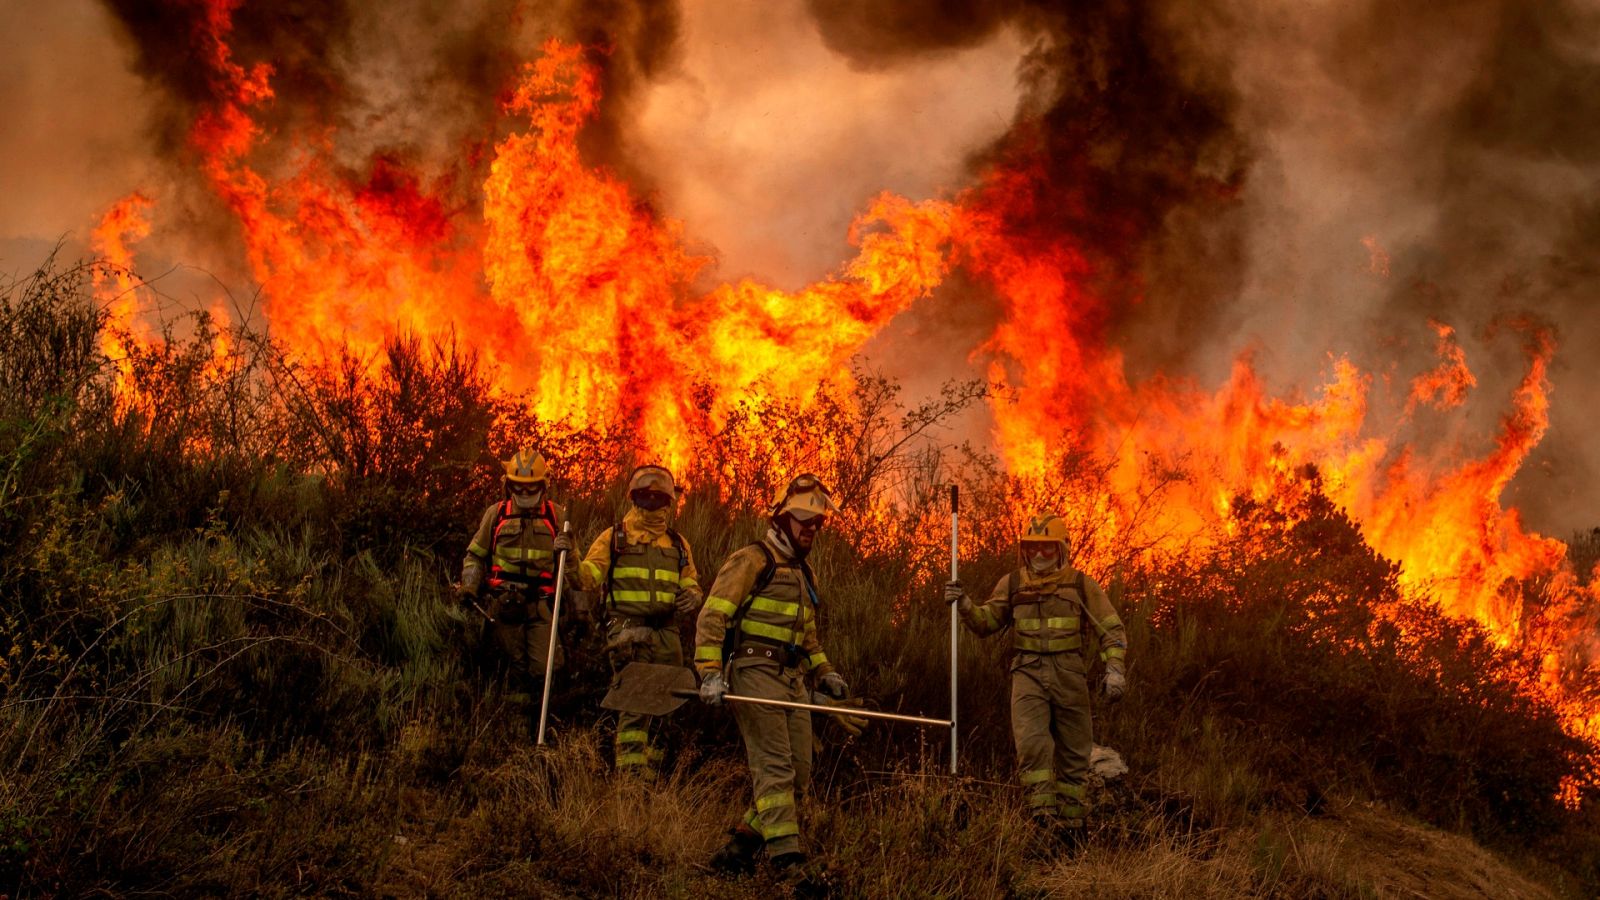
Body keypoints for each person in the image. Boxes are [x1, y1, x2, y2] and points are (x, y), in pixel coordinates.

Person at [692, 474, 848, 876]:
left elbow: (808, 638)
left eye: (817, 523)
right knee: (775, 766)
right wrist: (709, 673)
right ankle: (786, 862)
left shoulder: (805, 574)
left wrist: (826, 673)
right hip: (754, 672)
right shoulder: (751, 560)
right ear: (781, 519)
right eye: (803, 520)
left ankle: (742, 846)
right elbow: (712, 616)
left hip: (792, 680)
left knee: (800, 771)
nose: (811, 529)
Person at [945, 513, 1127, 843]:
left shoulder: (1081, 584)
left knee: (1075, 754)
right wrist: (965, 605)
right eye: (1033, 548)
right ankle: (1042, 825)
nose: (1039, 555)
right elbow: (987, 622)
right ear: (1024, 551)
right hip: (1027, 675)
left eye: (1047, 548)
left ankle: (1072, 833)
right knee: (1032, 748)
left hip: (1069, 677)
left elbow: (1111, 630)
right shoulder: (1012, 583)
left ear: (1062, 550)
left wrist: (1114, 670)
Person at [578, 464, 703, 777]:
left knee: (667, 703)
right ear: (634, 499)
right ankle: (631, 779)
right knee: (635, 705)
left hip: (667, 633)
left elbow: (689, 580)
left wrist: (694, 595)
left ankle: (654, 772)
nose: (654, 505)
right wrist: (567, 563)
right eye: (647, 499)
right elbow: (588, 577)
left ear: (669, 503)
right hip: (628, 631)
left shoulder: (677, 543)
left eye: (660, 499)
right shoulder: (614, 537)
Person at [459, 449, 576, 725]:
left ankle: (539, 721)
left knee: (545, 667)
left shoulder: (557, 516)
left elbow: (572, 568)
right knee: (511, 666)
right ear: (508, 485)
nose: (524, 493)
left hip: (542, 607)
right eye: (518, 487)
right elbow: (475, 555)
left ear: (544, 484)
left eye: (531, 487)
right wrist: (469, 586)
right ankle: (510, 726)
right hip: (505, 606)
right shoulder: (496, 514)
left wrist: (567, 551)